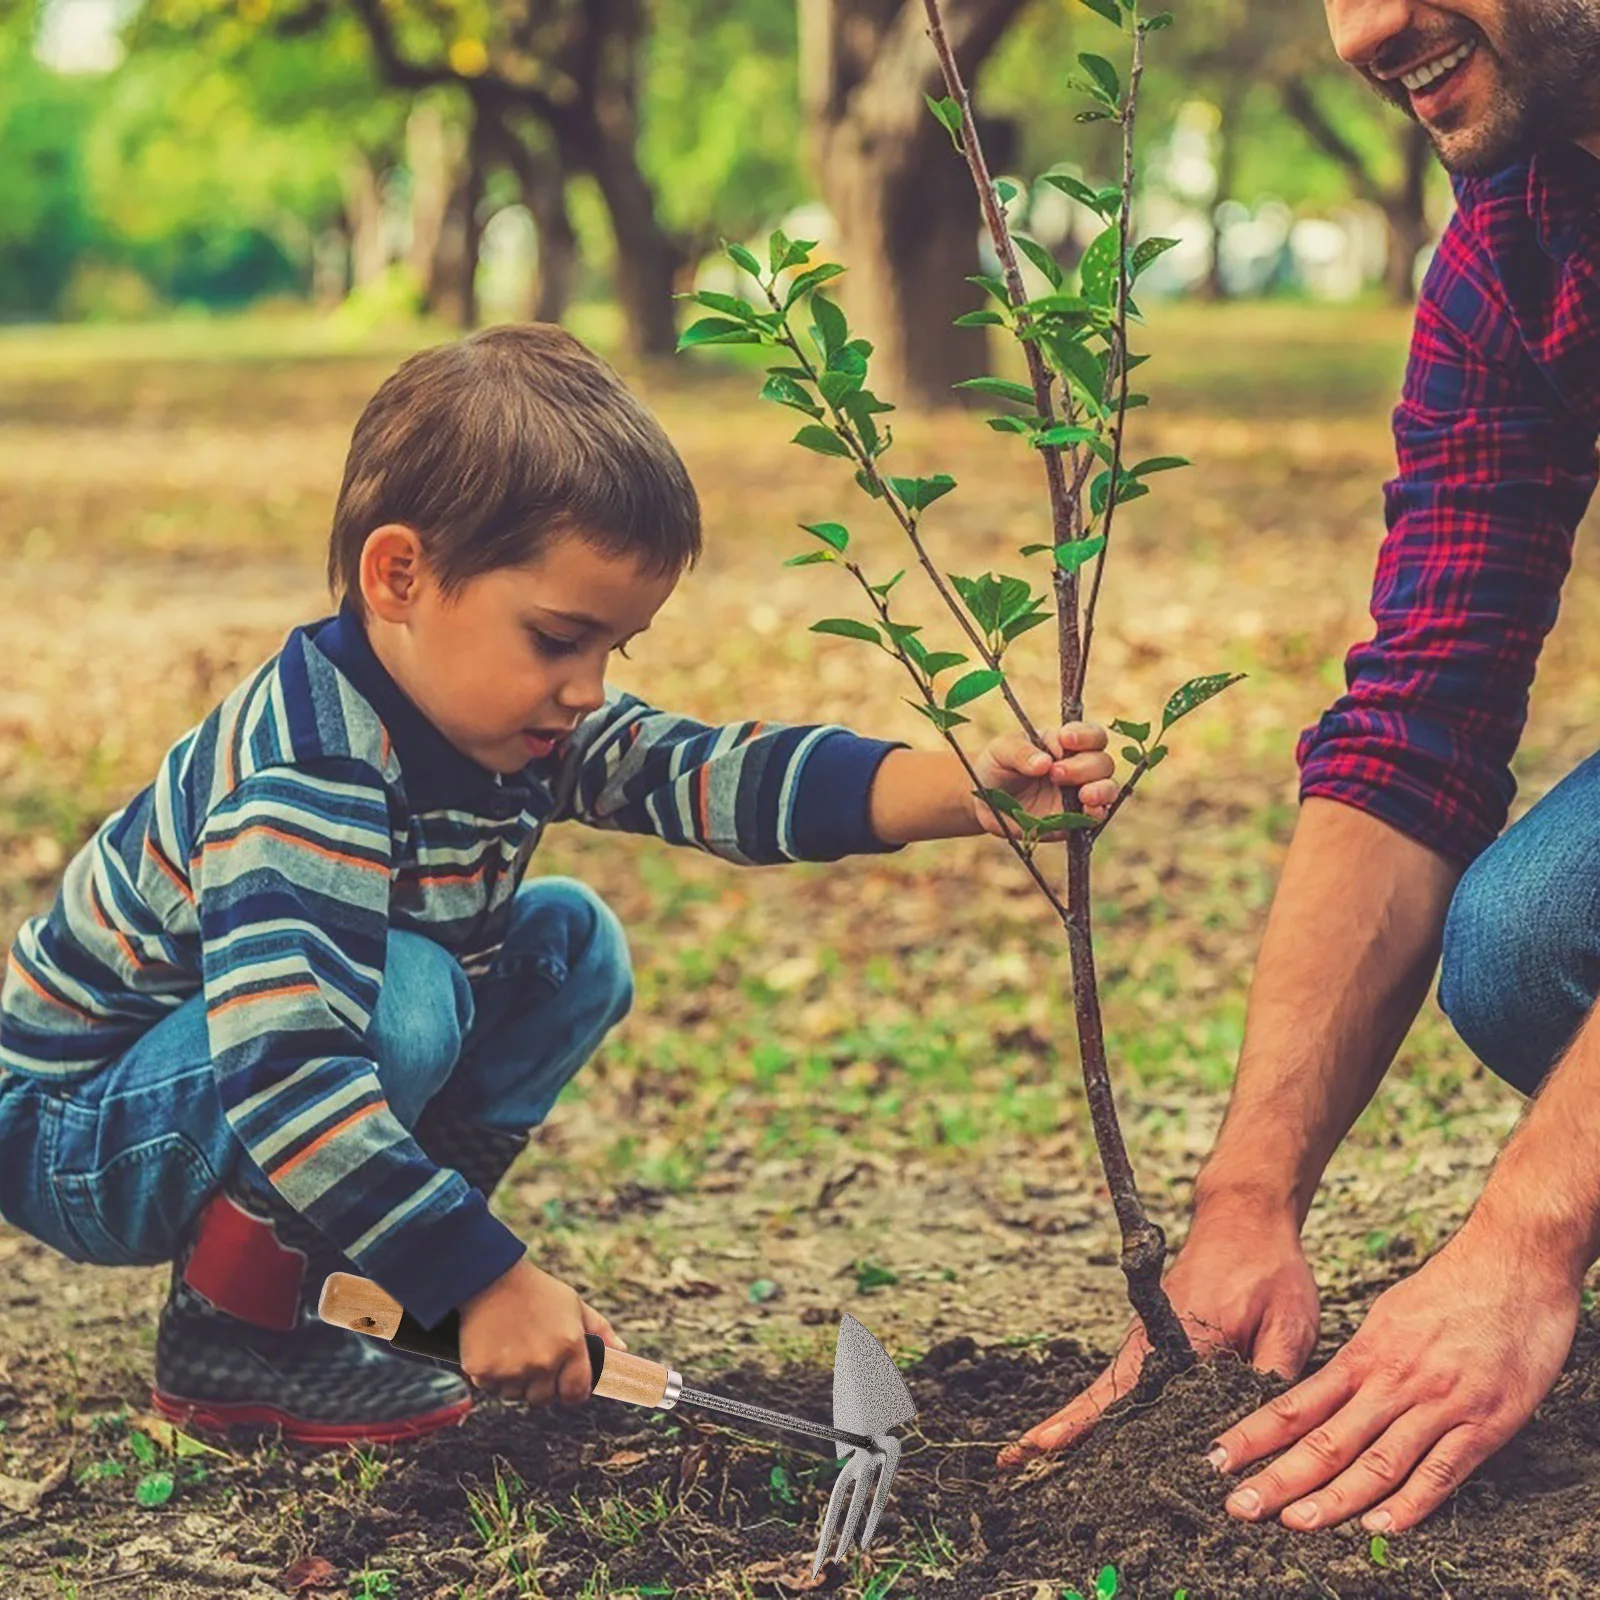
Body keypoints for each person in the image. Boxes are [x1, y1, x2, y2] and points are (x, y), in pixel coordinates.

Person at [0, 323, 1118, 1445]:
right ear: (402, 575)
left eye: (613, 652)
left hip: (226, 1084)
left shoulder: (506, 719)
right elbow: (285, 1073)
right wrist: (482, 1281)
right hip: (81, 1128)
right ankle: (236, 1336)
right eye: (556, 639)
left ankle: (354, 1277)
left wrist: (960, 789)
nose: (585, 691)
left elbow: (707, 772)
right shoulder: (306, 771)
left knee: (567, 945)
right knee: (411, 992)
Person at [1001, 0, 1600, 1541]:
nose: (1365, 29)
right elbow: (1424, 712)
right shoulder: (1517, 246)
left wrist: (1525, 1238)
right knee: (1531, 941)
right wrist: (1244, 1205)